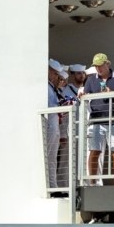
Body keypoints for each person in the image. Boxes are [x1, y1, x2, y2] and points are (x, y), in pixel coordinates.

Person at [82, 52, 114, 184]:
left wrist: (112, 94)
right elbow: (85, 97)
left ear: (107, 64)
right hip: (96, 119)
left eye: (100, 65)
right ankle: (92, 182)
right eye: (96, 66)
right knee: (94, 151)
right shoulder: (90, 80)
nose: (98, 68)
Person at [45, 59, 69, 190]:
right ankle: (49, 186)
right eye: (55, 74)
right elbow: (49, 106)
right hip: (49, 124)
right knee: (48, 156)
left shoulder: (51, 87)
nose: (57, 78)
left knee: (53, 157)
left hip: (54, 124)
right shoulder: (45, 87)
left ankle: (53, 186)